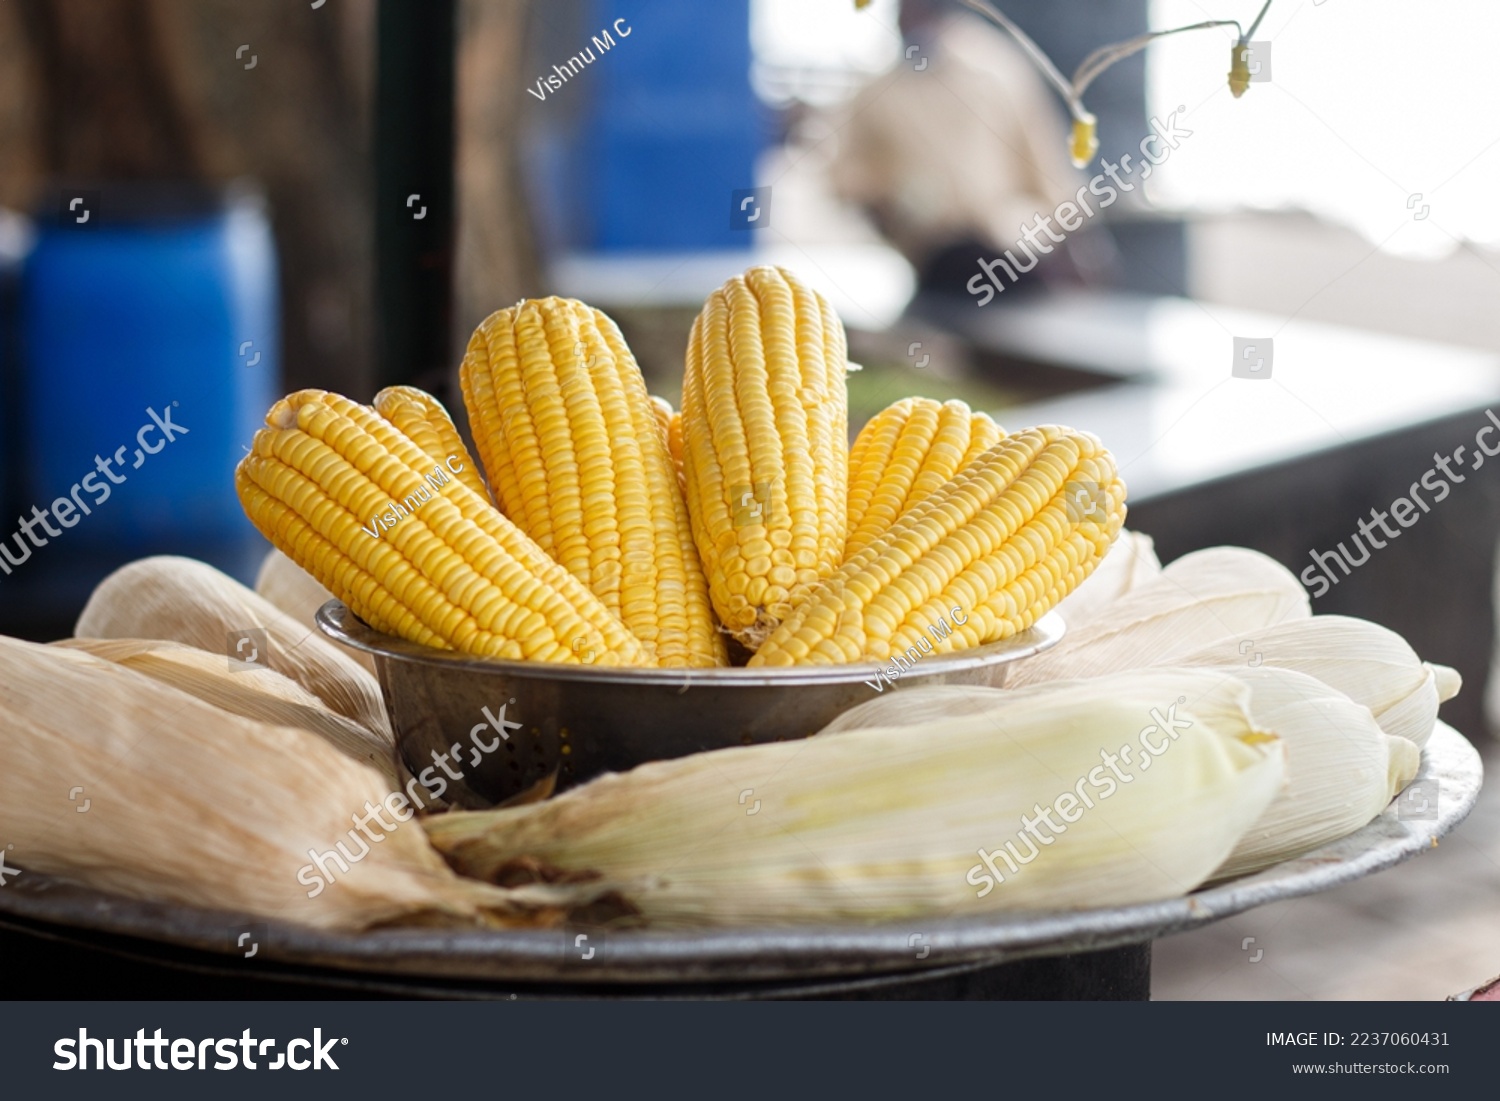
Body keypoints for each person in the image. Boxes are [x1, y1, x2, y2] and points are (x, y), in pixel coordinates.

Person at [828, 0, 1116, 300]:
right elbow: (848, 181)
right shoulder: (877, 92)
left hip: (1016, 252)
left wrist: (1081, 248)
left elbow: (1049, 167)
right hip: (936, 263)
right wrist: (890, 212)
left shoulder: (997, 68)